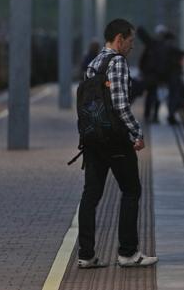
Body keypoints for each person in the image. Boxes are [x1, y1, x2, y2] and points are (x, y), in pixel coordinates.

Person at [77, 18, 158, 269]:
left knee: (90, 196)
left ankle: (86, 255)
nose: (132, 47)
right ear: (120, 39)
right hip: (115, 140)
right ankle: (128, 253)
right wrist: (137, 133)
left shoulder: (93, 64)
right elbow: (121, 106)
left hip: (92, 139)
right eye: (131, 41)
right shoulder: (118, 62)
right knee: (131, 191)